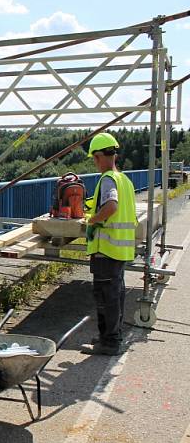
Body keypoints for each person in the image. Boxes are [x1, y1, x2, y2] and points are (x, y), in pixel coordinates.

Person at [82, 132, 136, 356]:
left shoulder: (108, 179)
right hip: (120, 249)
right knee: (115, 295)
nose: (95, 162)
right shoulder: (125, 180)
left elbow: (111, 206)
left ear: (100, 156)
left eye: (95, 158)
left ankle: (110, 342)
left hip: (107, 249)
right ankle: (110, 336)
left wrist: (92, 220)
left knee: (106, 297)